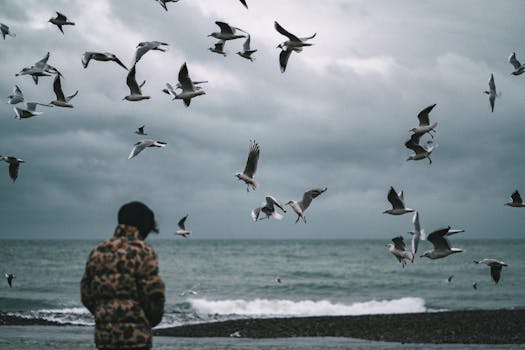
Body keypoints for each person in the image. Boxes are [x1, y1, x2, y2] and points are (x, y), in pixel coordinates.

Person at [81, 201, 165, 350]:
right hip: (136, 337)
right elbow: (154, 295)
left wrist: (104, 313)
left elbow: (86, 294)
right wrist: (147, 320)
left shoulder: (98, 251)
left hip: (104, 336)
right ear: (143, 226)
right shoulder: (143, 251)